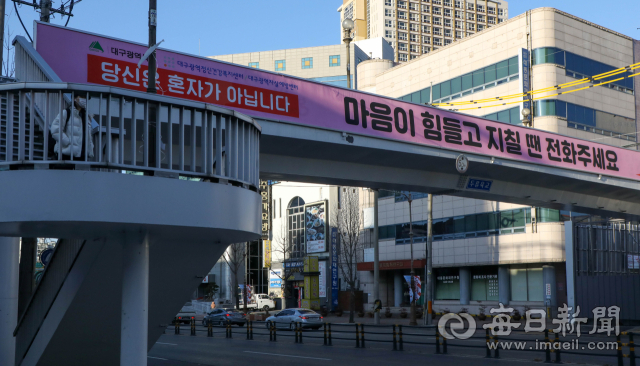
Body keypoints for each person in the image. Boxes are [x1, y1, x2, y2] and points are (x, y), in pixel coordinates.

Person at [50, 95, 94, 160]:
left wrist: (90, 149)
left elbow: (88, 136)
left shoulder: (87, 116)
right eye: (82, 97)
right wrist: (67, 142)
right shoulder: (66, 112)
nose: (84, 100)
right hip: (66, 155)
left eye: (86, 98)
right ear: (74, 98)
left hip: (82, 156)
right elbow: (55, 130)